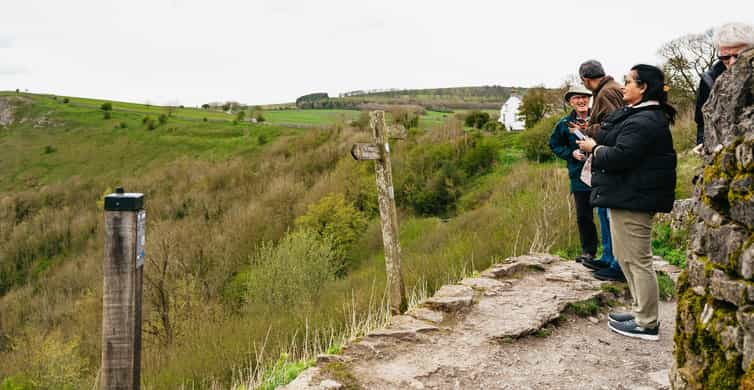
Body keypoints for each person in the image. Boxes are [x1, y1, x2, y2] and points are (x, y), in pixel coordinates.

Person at [577, 64, 677, 340]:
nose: (623, 87)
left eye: (629, 82)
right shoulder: (639, 115)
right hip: (627, 194)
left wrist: (593, 148)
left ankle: (647, 323)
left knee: (638, 260)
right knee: (626, 258)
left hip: (635, 198)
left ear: (643, 87)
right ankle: (639, 312)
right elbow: (613, 135)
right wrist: (596, 136)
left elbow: (621, 156)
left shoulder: (645, 120)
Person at [574, 60, 625, 282]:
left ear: (585, 79)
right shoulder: (612, 88)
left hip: (609, 157)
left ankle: (614, 262)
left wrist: (588, 130)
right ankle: (607, 256)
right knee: (604, 210)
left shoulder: (605, 93)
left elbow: (613, 127)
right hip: (610, 157)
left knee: (607, 211)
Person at [548, 85, 598, 264]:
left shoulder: (599, 118)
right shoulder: (564, 124)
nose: (581, 101)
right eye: (577, 98)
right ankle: (589, 252)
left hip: (602, 173)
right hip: (578, 176)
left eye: (584, 97)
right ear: (570, 101)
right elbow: (554, 144)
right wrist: (571, 154)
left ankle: (612, 253)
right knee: (584, 216)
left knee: (607, 215)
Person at [693, 22, 754, 153]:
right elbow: (702, 121)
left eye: (739, 55)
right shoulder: (709, 80)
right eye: (725, 57)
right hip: (723, 157)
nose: (732, 62)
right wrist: (702, 141)